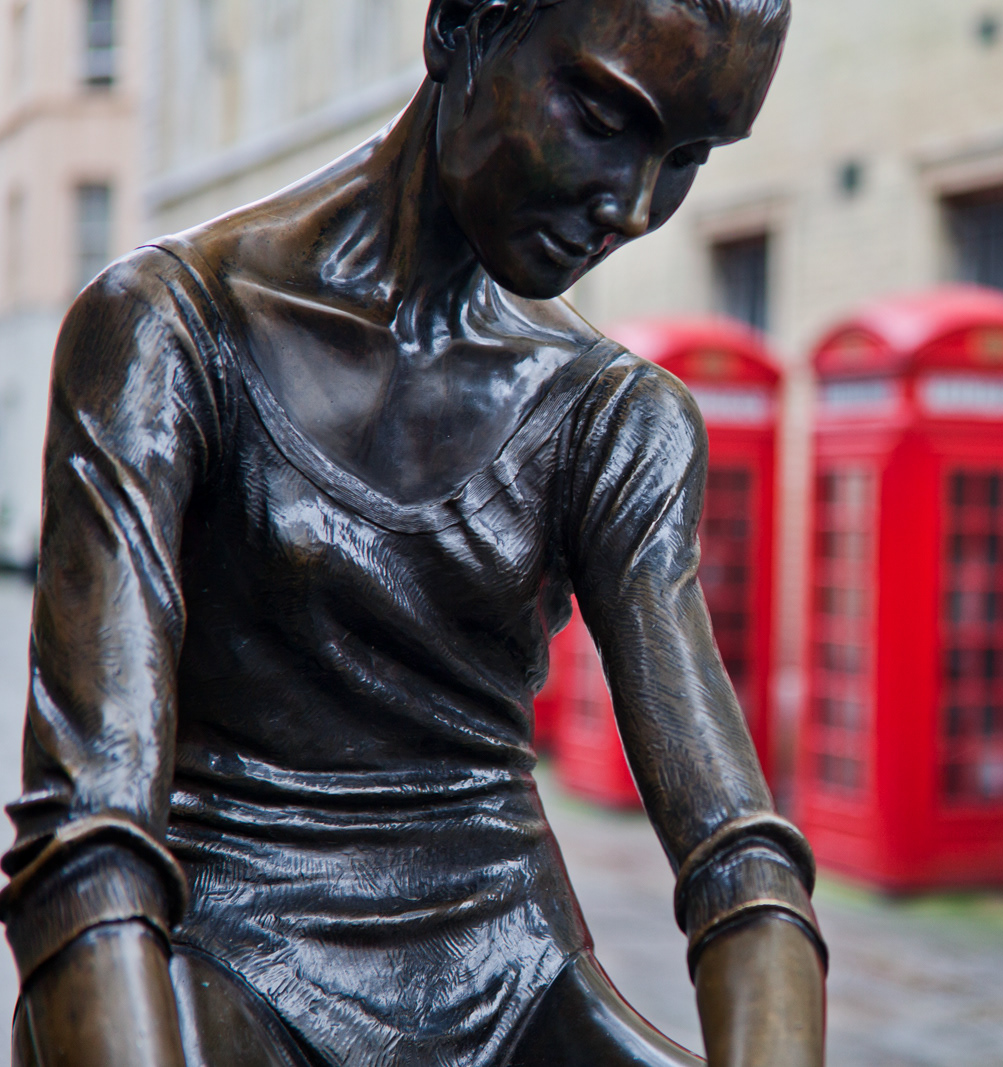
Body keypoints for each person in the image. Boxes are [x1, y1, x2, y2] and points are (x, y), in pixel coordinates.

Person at [0, 0, 825, 1064]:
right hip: (223, 942)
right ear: (465, 28)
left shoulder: (616, 417)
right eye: (603, 116)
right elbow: (88, 826)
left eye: (688, 158)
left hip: (512, 963)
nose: (628, 205)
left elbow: (736, 851)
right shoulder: (170, 329)